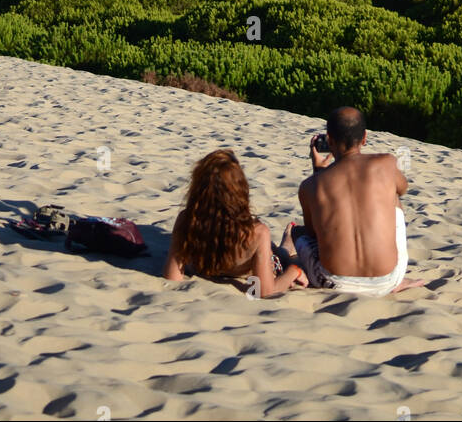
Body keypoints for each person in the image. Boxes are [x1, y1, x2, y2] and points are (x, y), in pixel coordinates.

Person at [288, 106, 424, 297]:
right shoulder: (386, 163)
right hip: (389, 278)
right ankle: (397, 279)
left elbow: (313, 234)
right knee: (392, 195)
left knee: (297, 232)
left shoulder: (310, 185)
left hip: (331, 283)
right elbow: (403, 189)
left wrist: (319, 172)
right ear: (365, 138)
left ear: (330, 139)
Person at [163, 148, 309, 296]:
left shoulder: (187, 220)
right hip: (250, 266)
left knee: (276, 250)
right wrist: (293, 272)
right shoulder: (256, 233)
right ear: (240, 190)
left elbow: (172, 277)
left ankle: (288, 240)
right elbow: (262, 291)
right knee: (282, 257)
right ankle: (288, 240)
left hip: (208, 266)